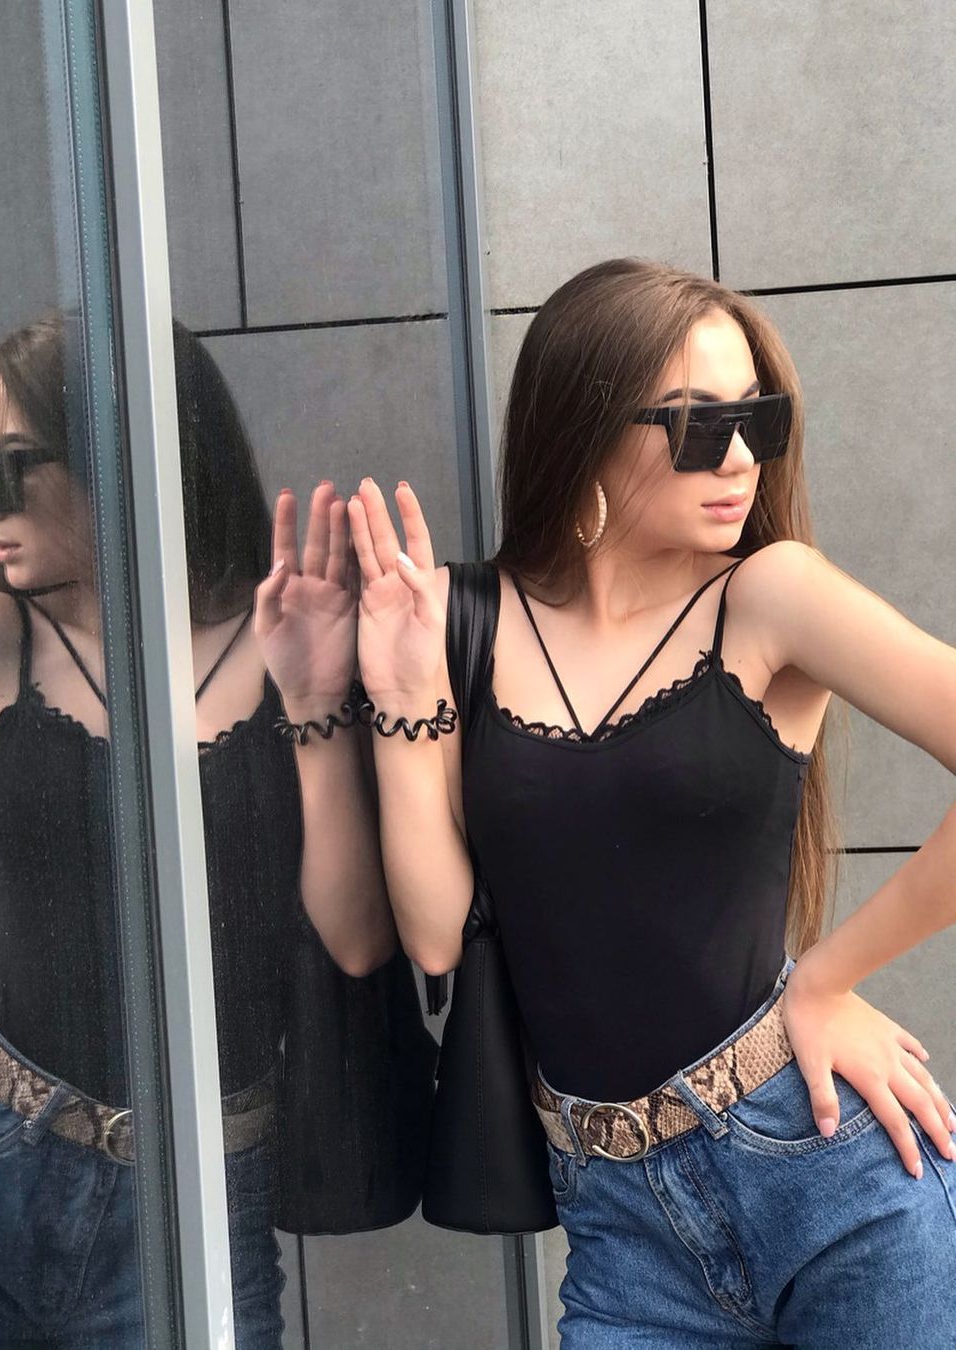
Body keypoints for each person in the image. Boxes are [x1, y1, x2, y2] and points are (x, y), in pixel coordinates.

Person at [349, 257, 956, 1347]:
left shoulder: (771, 596)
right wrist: (401, 700)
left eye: (757, 419)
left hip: (824, 1167)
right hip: (620, 1224)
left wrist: (828, 978)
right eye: (695, 426)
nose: (740, 458)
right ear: (584, 427)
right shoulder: (469, 624)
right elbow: (436, 937)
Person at [0, 312, 399, 1347]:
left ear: (129, 455)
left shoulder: (286, 639)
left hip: (205, 1197)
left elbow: (355, 942)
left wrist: (315, 704)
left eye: (15, 465)